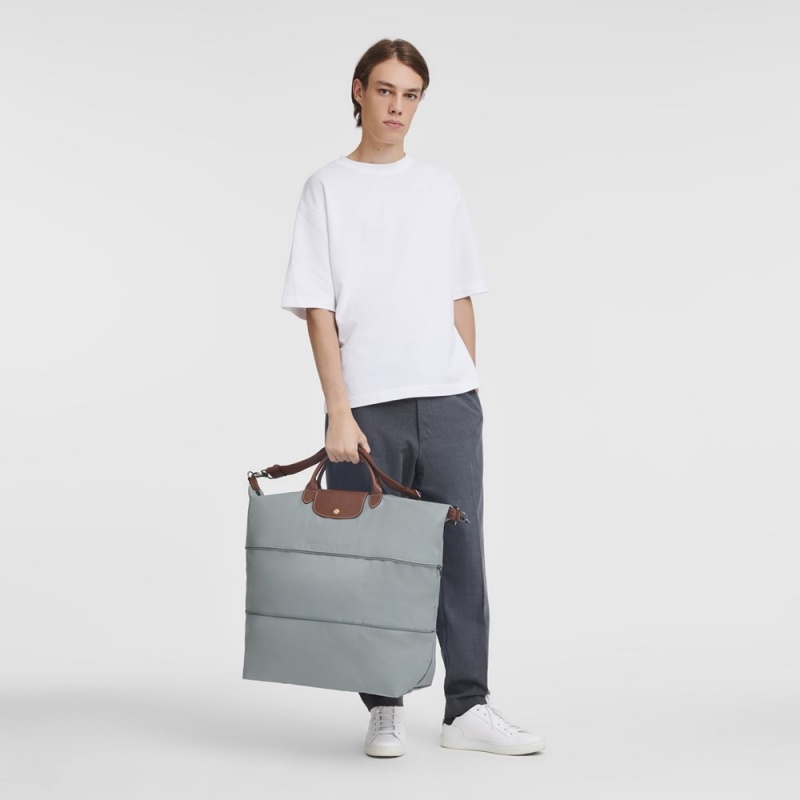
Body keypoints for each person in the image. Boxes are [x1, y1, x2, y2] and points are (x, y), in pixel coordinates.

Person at [280, 37, 546, 758]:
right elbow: (317, 309)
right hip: (367, 406)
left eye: (411, 95)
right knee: (375, 561)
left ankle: (468, 708)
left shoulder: (439, 186)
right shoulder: (326, 188)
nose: (397, 106)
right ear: (359, 90)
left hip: (449, 400)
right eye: (386, 90)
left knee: (462, 555)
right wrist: (339, 410)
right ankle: (384, 708)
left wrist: (467, 387)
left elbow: (460, 292)